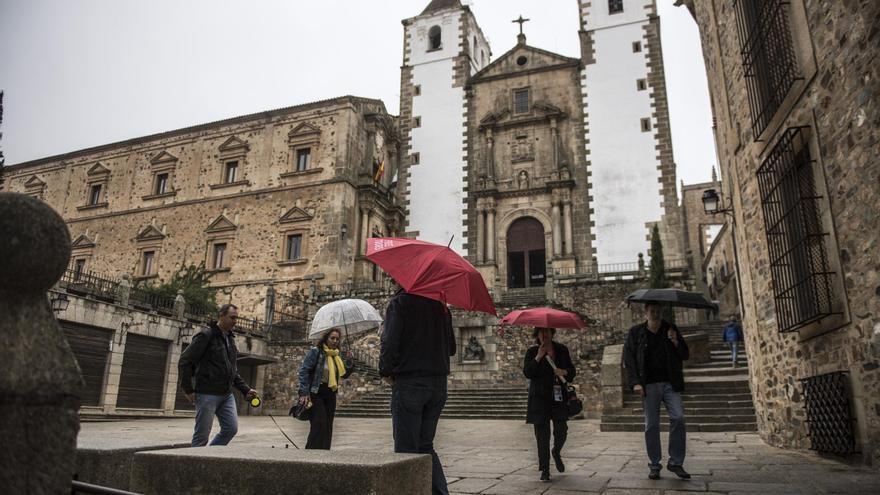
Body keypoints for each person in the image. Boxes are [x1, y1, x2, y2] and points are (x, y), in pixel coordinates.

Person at [379, 287, 455, 495]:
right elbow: (452, 348)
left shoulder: (400, 303)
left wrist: (385, 370)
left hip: (411, 382)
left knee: (405, 450)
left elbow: (389, 343)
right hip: (438, 385)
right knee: (425, 446)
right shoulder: (441, 306)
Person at [623, 302, 690, 480]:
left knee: (678, 417)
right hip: (648, 386)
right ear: (645, 312)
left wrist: (675, 341)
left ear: (662, 311)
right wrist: (635, 382)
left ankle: (675, 462)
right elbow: (629, 359)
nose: (655, 313)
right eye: (652, 310)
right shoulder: (636, 332)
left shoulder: (671, 329)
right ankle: (654, 464)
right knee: (651, 425)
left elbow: (685, 354)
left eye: (658, 310)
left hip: (670, 383)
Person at [178, 303, 257, 447]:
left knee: (230, 429)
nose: (235, 321)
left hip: (226, 395)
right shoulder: (206, 335)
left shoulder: (230, 339)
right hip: (207, 394)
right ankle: (194, 464)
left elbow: (232, 370)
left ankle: (210, 455)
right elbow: (185, 361)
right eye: (232, 317)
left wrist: (246, 389)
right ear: (221, 315)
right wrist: (188, 389)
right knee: (201, 437)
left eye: (236, 318)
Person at [523, 327, 577, 482]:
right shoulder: (532, 352)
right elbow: (528, 372)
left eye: (547, 331)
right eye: (541, 332)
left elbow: (572, 371)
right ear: (537, 334)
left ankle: (557, 451)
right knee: (542, 436)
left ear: (552, 333)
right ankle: (545, 469)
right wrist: (538, 357)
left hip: (558, 397)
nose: (544, 335)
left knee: (562, 430)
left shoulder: (561, 350)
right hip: (539, 398)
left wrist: (564, 372)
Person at [297, 327, 353, 449]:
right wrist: (304, 392)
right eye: (332, 338)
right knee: (319, 423)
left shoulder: (336, 356)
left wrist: (349, 361)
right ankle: (310, 453)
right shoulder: (316, 352)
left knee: (328, 426)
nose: (334, 341)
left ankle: (324, 454)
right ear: (325, 338)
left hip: (330, 394)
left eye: (337, 339)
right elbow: (304, 371)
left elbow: (344, 374)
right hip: (316, 393)